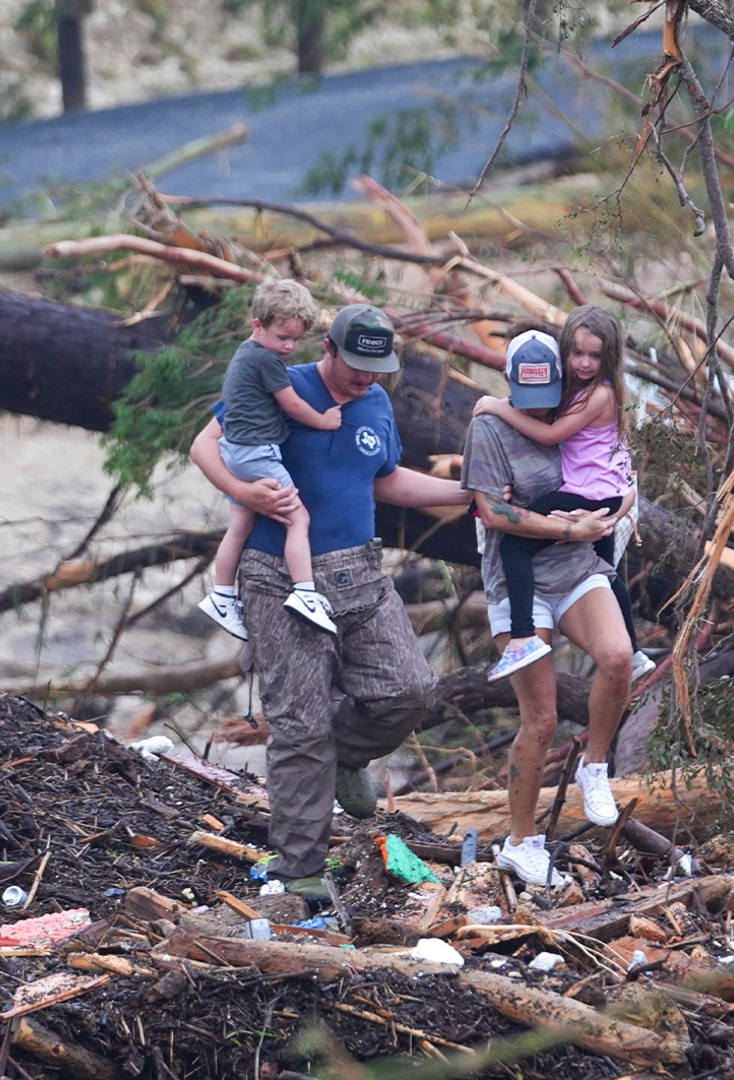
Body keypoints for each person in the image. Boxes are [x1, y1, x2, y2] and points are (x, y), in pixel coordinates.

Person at [189, 303, 470, 899]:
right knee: (298, 725)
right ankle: (300, 872)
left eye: (377, 369)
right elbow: (204, 447)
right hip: (276, 576)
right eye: (356, 366)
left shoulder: (375, 402)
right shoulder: (278, 381)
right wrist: (245, 493)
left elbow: (384, 478)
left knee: (410, 689)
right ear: (328, 347)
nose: (366, 378)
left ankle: (343, 756)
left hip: (359, 572)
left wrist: (463, 490)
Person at [459, 316, 640, 888]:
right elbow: (491, 512)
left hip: (575, 566)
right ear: (510, 383)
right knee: (541, 718)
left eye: (548, 394)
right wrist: (564, 528)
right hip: (519, 583)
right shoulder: (489, 429)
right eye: (528, 397)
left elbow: (616, 468)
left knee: (617, 658)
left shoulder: (576, 398)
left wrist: (606, 515)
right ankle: (521, 841)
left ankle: (596, 766)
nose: (540, 407)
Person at [472, 310, 643, 681]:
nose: (584, 363)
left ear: (609, 358)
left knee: (514, 545)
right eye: (577, 354)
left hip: (590, 495)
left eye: (594, 356)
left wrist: (498, 406)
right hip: (605, 494)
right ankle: (636, 649)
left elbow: (550, 437)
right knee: (607, 570)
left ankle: (522, 636)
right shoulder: (588, 391)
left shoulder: (598, 395)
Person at [199, 280, 343, 639]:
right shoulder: (267, 361)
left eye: (296, 340)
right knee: (298, 518)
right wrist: (325, 420)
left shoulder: (247, 353)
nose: (290, 347)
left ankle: (221, 594)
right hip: (256, 452)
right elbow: (291, 403)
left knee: (239, 526)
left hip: (234, 451)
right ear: (257, 325)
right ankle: (305, 592)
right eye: (283, 337)